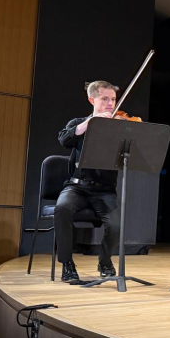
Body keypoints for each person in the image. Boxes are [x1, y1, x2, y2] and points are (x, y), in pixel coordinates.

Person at [55, 81, 122, 284]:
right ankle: (67, 264)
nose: (110, 103)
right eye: (105, 99)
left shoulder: (119, 126)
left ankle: (105, 263)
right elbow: (64, 140)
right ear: (92, 100)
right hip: (77, 187)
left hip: (105, 190)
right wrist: (90, 122)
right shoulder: (79, 123)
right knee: (62, 208)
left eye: (113, 99)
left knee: (116, 225)